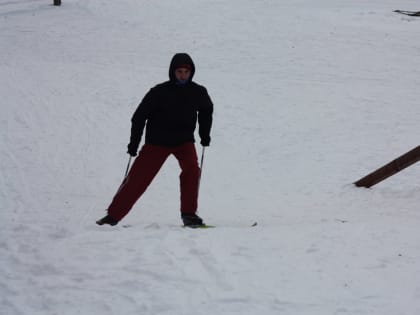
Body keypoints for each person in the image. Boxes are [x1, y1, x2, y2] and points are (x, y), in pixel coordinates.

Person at [96, 53, 213, 227]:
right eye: (179, 71)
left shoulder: (198, 92)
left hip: (184, 141)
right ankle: (113, 215)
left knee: (192, 170)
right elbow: (139, 117)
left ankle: (189, 214)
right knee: (138, 178)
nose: (183, 75)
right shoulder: (159, 92)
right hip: (157, 142)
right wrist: (134, 143)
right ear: (173, 72)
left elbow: (206, 110)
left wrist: (204, 135)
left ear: (191, 72)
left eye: (186, 72)